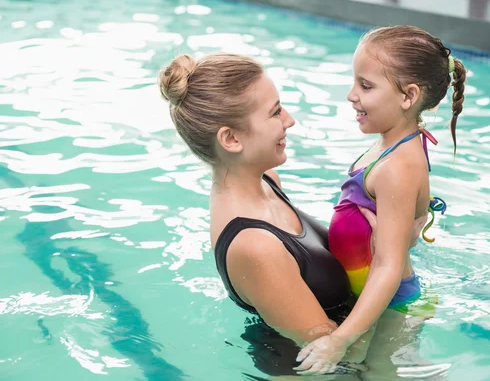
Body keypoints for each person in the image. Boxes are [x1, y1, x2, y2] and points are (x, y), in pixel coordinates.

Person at [158, 52, 394, 377]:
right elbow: (337, 352)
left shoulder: (267, 181)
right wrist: (389, 258)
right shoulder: (255, 247)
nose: (290, 119)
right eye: (275, 112)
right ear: (231, 139)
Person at [294, 25, 467, 375]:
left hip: (391, 310)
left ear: (408, 96)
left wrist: (339, 339)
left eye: (366, 86)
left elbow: (388, 267)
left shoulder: (397, 168)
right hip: (379, 300)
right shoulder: (394, 144)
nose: (351, 95)